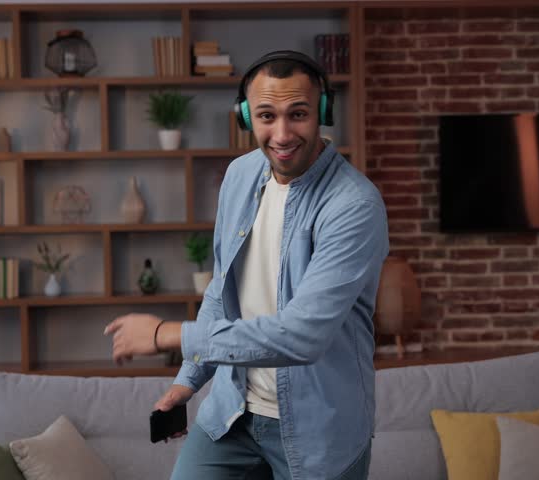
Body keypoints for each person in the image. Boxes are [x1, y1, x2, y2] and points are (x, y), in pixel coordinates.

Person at [104, 50, 388, 480]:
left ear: (323, 112)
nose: (282, 133)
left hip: (318, 432)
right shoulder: (240, 175)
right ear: (245, 117)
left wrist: (167, 334)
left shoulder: (354, 205)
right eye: (266, 116)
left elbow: (303, 335)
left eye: (298, 114)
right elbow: (223, 289)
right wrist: (189, 379)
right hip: (234, 410)